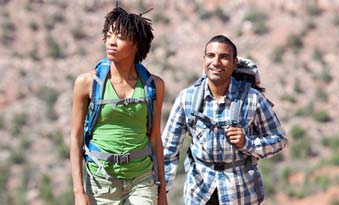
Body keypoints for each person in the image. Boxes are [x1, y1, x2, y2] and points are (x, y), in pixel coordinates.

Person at [162, 35, 287, 205]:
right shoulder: (187, 99)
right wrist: (162, 191)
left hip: (241, 194)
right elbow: (167, 151)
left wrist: (247, 144)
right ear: (204, 60)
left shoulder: (252, 99)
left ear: (235, 63)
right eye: (211, 56)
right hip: (199, 193)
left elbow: (279, 139)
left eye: (224, 57)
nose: (216, 62)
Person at [70, 5, 167, 205]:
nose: (111, 42)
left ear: (136, 45)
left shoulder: (154, 86)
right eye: (109, 34)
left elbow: (155, 138)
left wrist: (162, 192)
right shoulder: (86, 83)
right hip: (100, 182)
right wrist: (79, 192)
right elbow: (76, 136)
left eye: (120, 36)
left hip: (142, 179)